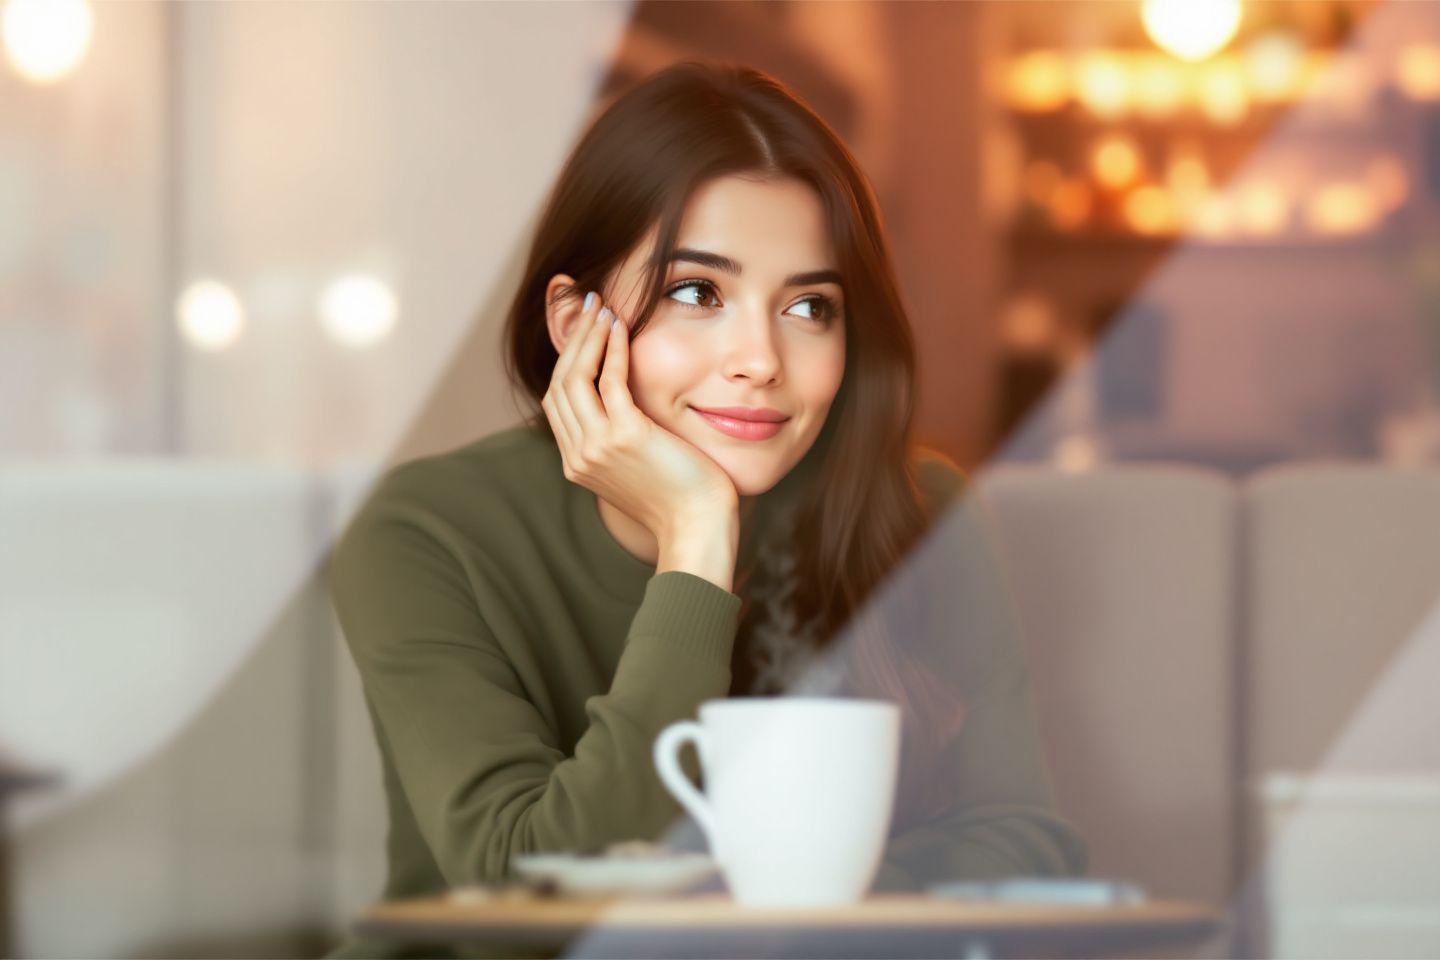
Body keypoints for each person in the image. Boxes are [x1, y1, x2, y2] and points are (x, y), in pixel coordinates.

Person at [324, 59, 1086, 960]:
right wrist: (695, 542)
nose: (760, 357)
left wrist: (759, 896)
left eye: (809, 306)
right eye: (698, 293)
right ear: (575, 322)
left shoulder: (921, 514)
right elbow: (525, 898)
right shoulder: (426, 530)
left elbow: (1029, 851)